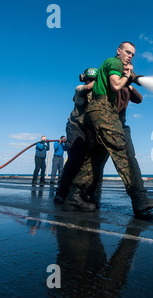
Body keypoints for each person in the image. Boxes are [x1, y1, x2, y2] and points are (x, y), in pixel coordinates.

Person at [64, 41, 153, 214]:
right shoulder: (114, 62)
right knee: (121, 150)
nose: (130, 56)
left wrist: (139, 79)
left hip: (96, 112)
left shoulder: (119, 66)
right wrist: (127, 78)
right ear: (119, 51)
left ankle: (74, 196)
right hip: (103, 109)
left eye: (133, 54)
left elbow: (135, 81)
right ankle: (139, 198)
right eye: (127, 52)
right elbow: (115, 85)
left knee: (95, 158)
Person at [54, 68, 97, 204]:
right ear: (85, 79)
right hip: (75, 127)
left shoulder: (98, 92)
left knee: (86, 161)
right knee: (74, 158)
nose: (91, 82)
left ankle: (79, 192)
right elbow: (87, 88)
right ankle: (61, 192)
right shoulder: (80, 88)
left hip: (87, 129)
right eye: (89, 79)